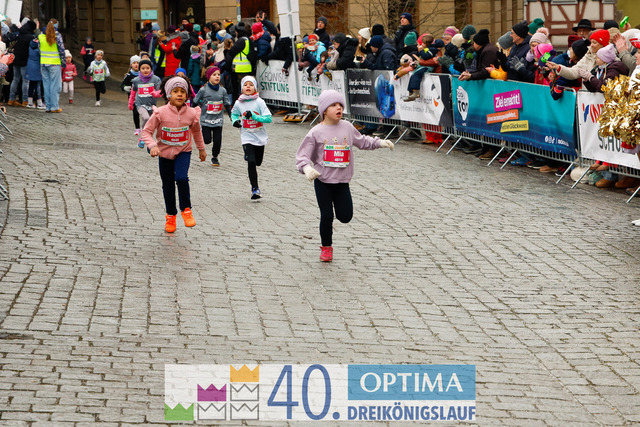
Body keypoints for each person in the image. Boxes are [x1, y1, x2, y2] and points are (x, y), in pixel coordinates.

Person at [295, 90, 394, 262]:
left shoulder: (347, 127)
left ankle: (337, 222)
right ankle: (326, 248)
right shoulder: (315, 132)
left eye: (340, 105)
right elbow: (302, 155)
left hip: (342, 182)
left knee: (345, 216)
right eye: (333, 105)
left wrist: (379, 142)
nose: (338, 108)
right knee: (327, 215)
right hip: (323, 181)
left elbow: (362, 141)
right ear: (324, 110)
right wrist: (306, 169)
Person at [141, 76, 206, 233]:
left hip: (183, 151)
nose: (179, 94)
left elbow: (197, 132)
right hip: (164, 154)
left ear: (187, 95)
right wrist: (152, 145)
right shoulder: (160, 113)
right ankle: (171, 215)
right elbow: (146, 132)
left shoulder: (191, 113)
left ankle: (186, 210)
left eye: (182, 91)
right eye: (175, 91)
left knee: (182, 178)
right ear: (168, 94)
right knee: (168, 185)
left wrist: (201, 149)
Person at [230, 76, 272, 199]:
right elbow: (234, 114)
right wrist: (235, 121)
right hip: (246, 136)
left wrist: (254, 116)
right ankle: (255, 188)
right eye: (245, 85)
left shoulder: (260, 102)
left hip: (259, 136)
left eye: (251, 84)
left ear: (255, 88)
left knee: (258, 162)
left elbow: (268, 118)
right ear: (241, 88)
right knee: (251, 162)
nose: (248, 87)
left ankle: (249, 155)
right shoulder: (239, 103)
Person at [193, 66, 231, 166]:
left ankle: (215, 157)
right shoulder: (203, 90)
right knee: (207, 140)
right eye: (214, 75)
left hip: (218, 120)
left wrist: (231, 115)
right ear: (209, 77)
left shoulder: (222, 90)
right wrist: (191, 113)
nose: (217, 77)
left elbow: (227, 103)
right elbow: (195, 102)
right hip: (206, 120)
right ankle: (202, 138)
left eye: (218, 74)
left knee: (217, 141)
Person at [129, 58, 162, 147]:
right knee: (146, 118)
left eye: (147, 68)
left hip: (151, 105)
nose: (145, 70)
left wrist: (156, 93)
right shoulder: (136, 80)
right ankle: (143, 138)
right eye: (143, 68)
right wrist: (131, 103)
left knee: (151, 122)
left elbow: (160, 91)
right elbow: (133, 92)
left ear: (151, 69)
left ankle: (146, 139)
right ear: (140, 69)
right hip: (140, 104)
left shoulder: (156, 79)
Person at [37, 19, 65, 113]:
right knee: (55, 86)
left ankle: (48, 106)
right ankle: (54, 106)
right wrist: (64, 62)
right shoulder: (57, 36)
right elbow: (61, 50)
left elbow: (39, 50)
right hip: (54, 63)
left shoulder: (40, 36)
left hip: (43, 63)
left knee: (46, 85)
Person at [9, 19, 36, 106]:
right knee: (25, 81)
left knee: (15, 79)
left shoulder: (19, 34)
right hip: (24, 60)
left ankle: (11, 99)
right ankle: (25, 100)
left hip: (16, 59)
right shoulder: (30, 37)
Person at [121, 55, 141, 134]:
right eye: (134, 63)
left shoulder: (143, 74)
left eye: (138, 63)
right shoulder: (128, 76)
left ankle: (146, 128)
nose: (136, 65)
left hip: (142, 97)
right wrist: (125, 88)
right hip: (133, 97)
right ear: (131, 65)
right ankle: (137, 128)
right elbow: (122, 85)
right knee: (135, 112)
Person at [26, 37, 45, 109]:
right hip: (37, 67)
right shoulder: (39, 48)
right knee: (37, 86)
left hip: (30, 67)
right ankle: (39, 103)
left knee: (31, 85)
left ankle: (30, 102)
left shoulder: (30, 46)